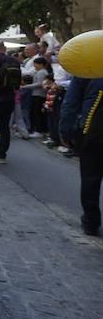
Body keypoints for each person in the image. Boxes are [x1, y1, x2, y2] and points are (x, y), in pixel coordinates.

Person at [60, 76, 103, 235]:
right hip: (93, 130)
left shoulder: (87, 67)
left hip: (93, 132)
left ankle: (91, 221)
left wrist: (66, 131)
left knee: (90, 178)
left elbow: (70, 103)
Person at [25, 57, 52, 137]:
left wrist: (26, 86)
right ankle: (40, 130)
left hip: (39, 95)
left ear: (41, 64)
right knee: (37, 113)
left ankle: (39, 130)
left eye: (35, 64)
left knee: (37, 113)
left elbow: (39, 84)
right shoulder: (40, 71)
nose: (34, 66)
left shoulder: (42, 72)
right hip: (38, 94)